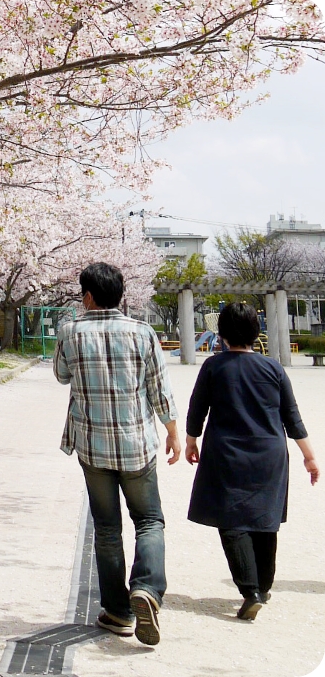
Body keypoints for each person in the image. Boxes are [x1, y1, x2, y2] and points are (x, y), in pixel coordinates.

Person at [54, 262, 181, 646]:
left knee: (107, 529)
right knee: (149, 520)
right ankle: (146, 588)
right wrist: (173, 431)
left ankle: (118, 611)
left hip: (93, 445)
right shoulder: (142, 332)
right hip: (136, 444)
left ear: (88, 296)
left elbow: (62, 375)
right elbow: (159, 387)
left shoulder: (70, 332)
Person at [184, 302, 319, 620]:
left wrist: (191, 440)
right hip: (270, 455)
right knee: (263, 519)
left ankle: (251, 590)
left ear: (223, 333)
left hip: (227, 454)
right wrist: (309, 457)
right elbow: (292, 417)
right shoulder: (273, 368)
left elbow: (197, 408)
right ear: (256, 332)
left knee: (231, 520)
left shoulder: (214, 366)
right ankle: (264, 585)